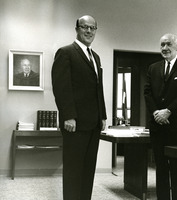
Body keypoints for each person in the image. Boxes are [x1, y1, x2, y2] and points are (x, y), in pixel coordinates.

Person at [51, 15, 107, 200]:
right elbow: (61, 87)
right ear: (77, 29)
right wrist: (68, 116)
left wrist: (103, 116)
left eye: (92, 28)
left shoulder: (95, 57)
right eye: (85, 27)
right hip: (74, 123)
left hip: (94, 124)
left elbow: (98, 88)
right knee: (74, 172)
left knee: (88, 171)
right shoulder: (66, 52)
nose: (89, 31)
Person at [144, 33, 177, 200]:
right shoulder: (153, 68)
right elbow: (147, 93)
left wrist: (168, 111)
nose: (165, 48)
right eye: (162, 45)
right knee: (160, 167)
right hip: (158, 126)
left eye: (168, 44)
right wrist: (155, 113)